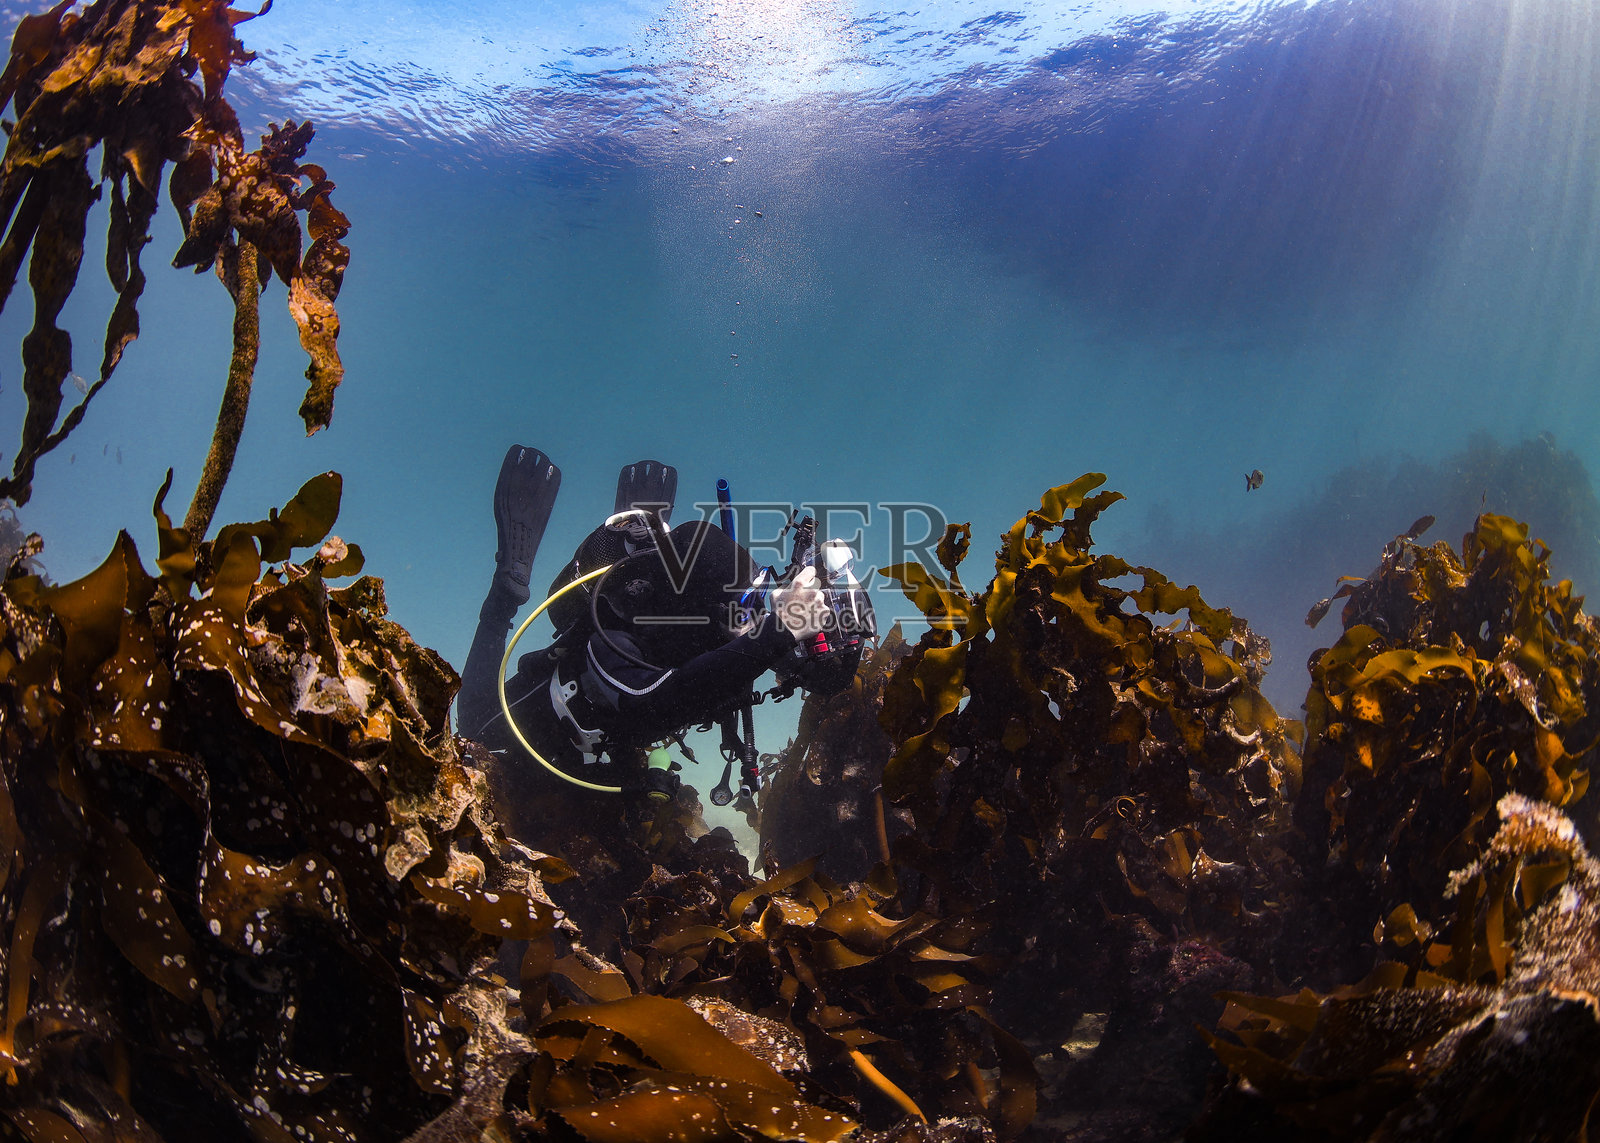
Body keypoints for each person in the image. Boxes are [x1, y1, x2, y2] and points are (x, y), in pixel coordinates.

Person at [457, 445, 862, 801]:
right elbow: (653, 704)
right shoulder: (615, 638)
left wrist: (814, 634)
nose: (749, 618)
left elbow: (784, 667)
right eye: (740, 608)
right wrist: (783, 628)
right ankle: (505, 596)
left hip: (605, 747)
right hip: (546, 719)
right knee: (473, 728)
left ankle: (639, 540)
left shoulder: (722, 622)